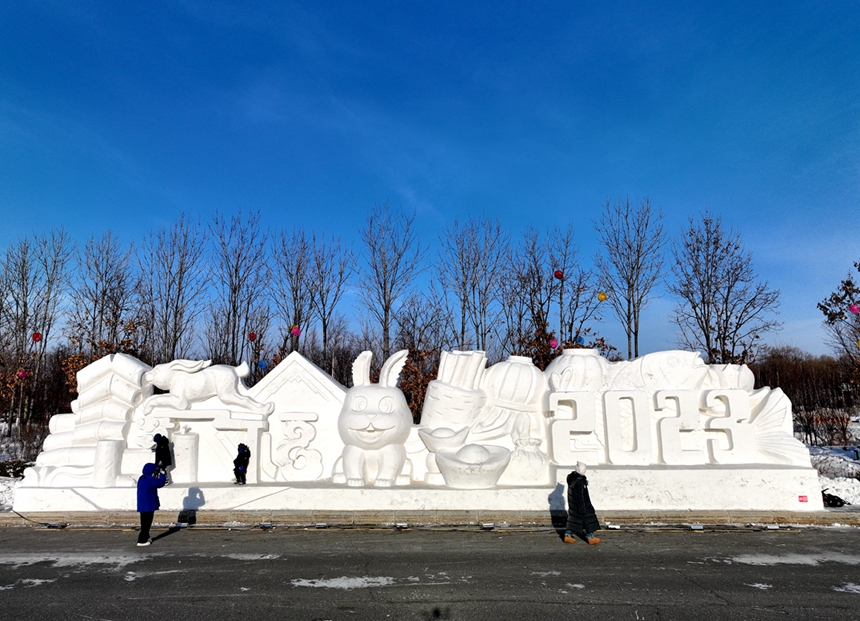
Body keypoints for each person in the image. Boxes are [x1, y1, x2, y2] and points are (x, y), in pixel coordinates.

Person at [564, 461, 601, 545]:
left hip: (574, 505)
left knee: (575, 520)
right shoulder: (579, 482)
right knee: (589, 520)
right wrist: (582, 508)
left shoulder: (572, 479)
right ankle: (590, 537)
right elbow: (580, 496)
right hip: (582, 505)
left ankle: (568, 535)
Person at [136, 462, 166, 547]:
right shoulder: (150, 479)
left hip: (142, 505)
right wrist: (162, 474)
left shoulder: (142, 478)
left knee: (144, 523)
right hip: (149, 505)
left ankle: (145, 537)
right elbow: (160, 483)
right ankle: (142, 540)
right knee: (147, 523)